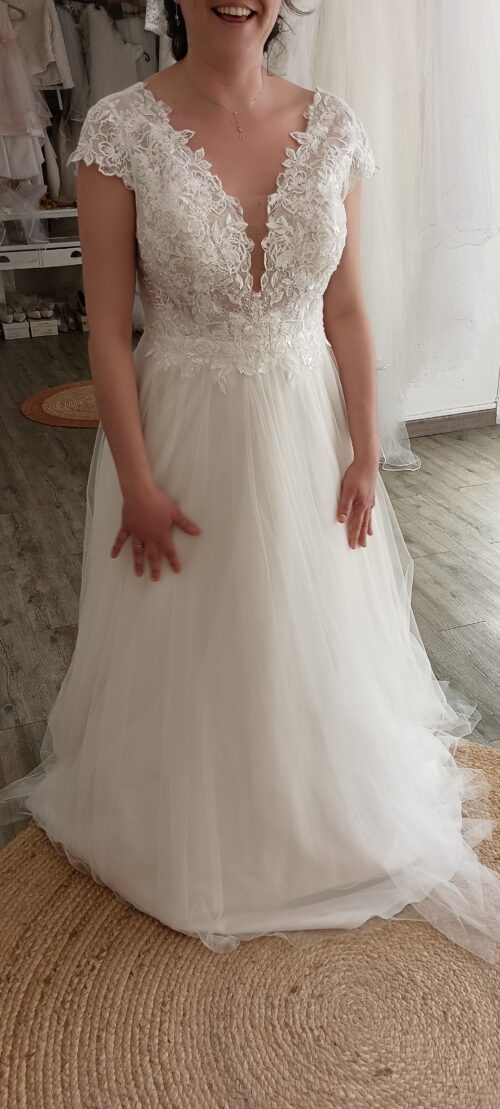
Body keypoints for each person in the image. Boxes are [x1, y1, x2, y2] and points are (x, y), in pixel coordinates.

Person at [1, 0, 500, 963]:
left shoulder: (334, 126)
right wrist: (137, 481)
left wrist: (365, 448)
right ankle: (196, 818)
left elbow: (346, 308)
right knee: (204, 634)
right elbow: (108, 330)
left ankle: (311, 798)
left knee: (302, 628)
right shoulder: (120, 130)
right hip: (184, 437)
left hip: (307, 430)